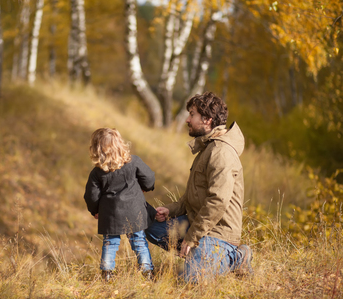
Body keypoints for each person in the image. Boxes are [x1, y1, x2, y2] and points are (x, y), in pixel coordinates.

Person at [145, 91, 253, 283]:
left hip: (219, 232)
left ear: (207, 120)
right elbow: (192, 197)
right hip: (197, 223)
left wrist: (192, 237)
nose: (187, 119)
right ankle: (198, 255)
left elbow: (217, 201)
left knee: (190, 279)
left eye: (192, 114)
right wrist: (169, 210)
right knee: (152, 227)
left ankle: (236, 257)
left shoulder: (221, 153)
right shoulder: (207, 149)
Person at [84, 128, 155, 281]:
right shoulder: (133, 162)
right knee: (139, 241)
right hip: (135, 211)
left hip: (111, 214)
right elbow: (149, 177)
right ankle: (147, 271)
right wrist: (146, 187)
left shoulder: (97, 173)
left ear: (97, 150)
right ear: (121, 145)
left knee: (110, 242)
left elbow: (91, 195)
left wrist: (95, 210)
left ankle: (107, 273)